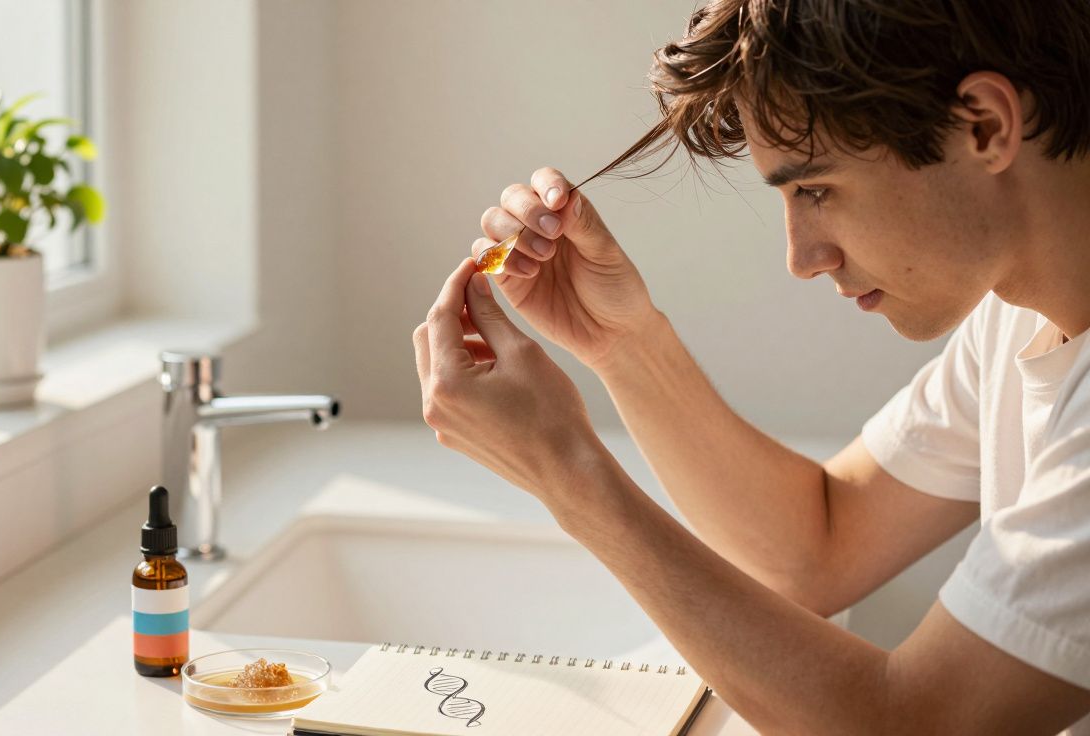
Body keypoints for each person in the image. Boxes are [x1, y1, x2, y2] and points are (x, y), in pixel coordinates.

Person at [411, 0, 1090, 732]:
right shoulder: (1020, 311)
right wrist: (622, 343)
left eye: (816, 189)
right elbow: (817, 546)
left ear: (983, 125)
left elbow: (910, 721)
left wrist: (564, 470)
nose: (802, 259)